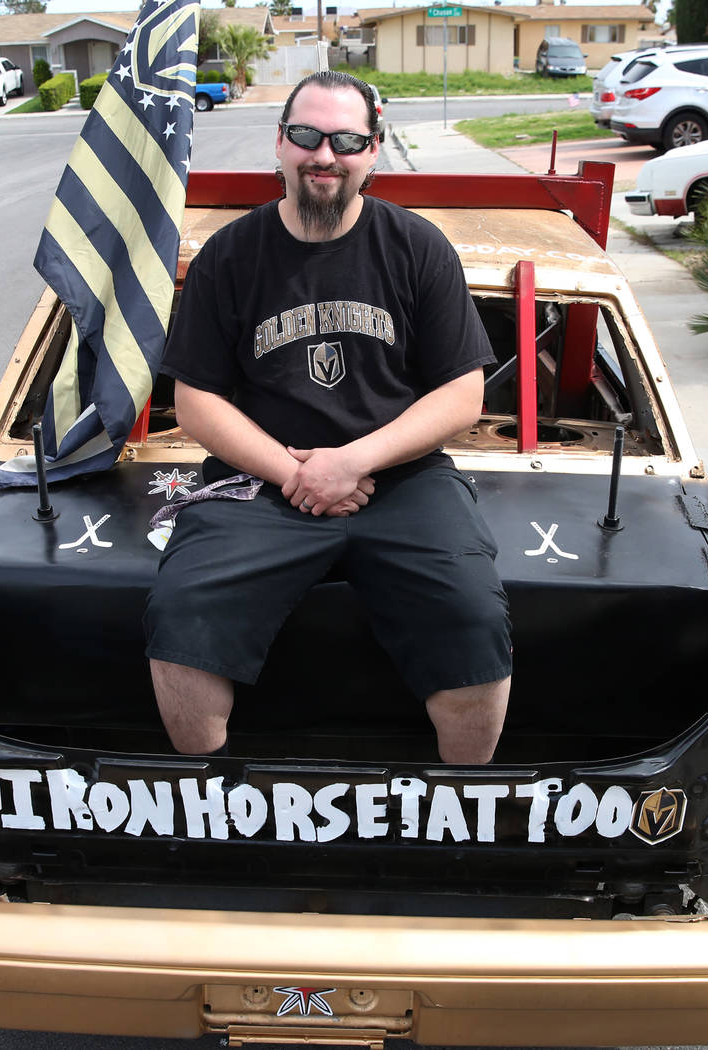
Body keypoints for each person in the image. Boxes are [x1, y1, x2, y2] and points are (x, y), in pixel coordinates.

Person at [144, 70, 511, 764]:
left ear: (373, 151)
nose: (325, 155)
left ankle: (461, 812)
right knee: (180, 612)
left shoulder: (418, 248)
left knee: (473, 613)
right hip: (260, 481)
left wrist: (352, 462)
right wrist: (296, 472)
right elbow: (195, 400)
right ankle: (214, 813)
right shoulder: (228, 255)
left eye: (346, 140)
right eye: (308, 136)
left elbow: (463, 394)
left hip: (402, 479)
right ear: (280, 144)